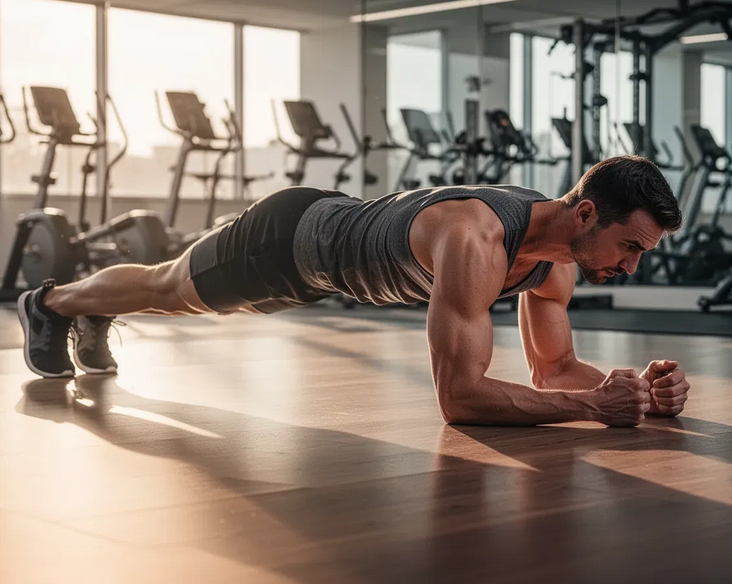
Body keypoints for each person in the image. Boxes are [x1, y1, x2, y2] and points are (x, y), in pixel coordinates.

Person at [18, 155, 690, 427]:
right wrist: (592, 409)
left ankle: (84, 313)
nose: (630, 266)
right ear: (584, 216)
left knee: (171, 286)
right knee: (170, 288)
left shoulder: (557, 266)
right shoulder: (476, 238)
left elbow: (556, 370)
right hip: (288, 241)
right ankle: (51, 302)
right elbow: (459, 399)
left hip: (329, 262)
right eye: (630, 247)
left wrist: (630, 393)